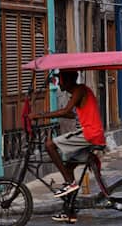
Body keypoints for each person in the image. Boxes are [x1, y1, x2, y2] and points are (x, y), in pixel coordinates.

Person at [30, 70, 106, 207]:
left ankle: (70, 184)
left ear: (67, 80)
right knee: (69, 167)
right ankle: (69, 211)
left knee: (49, 145)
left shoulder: (80, 90)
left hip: (90, 133)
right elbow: (70, 114)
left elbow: (65, 111)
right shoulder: (78, 92)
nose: (58, 83)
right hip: (93, 134)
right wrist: (50, 115)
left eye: (60, 79)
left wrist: (40, 116)